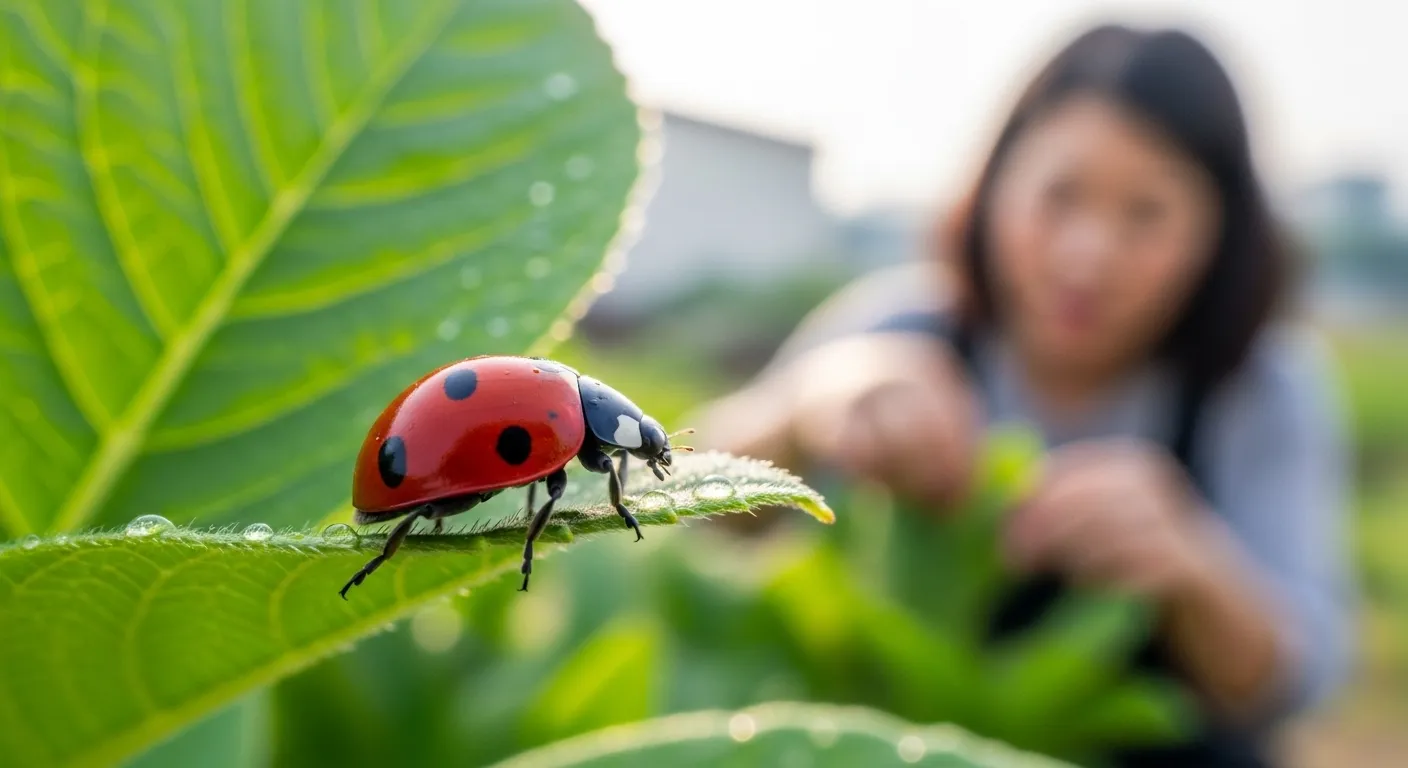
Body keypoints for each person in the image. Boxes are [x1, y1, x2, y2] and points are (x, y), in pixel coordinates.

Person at [696, 23, 1357, 768]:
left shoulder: (1258, 387)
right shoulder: (898, 327)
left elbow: (1300, 680)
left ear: (1220, 232)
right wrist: (801, 409)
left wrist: (1192, 565)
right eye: (1059, 195)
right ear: (996, 184)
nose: (1088, 255)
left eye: (1146, 214)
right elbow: (678, 505)